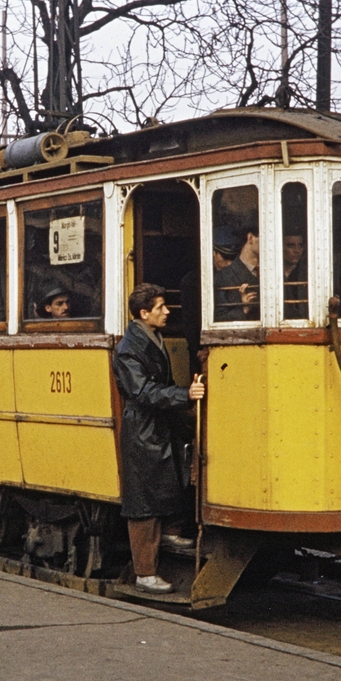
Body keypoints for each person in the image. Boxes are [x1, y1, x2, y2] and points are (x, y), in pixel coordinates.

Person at [114, 283, 206, 594]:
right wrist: (184, 394)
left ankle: (168, 533)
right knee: (143, 501)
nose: (167, 312)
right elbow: (141, 391)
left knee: (164, 481)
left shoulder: (149, 337)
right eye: (160, 308)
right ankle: (145, 573)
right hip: (142, 428)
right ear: (144, 313)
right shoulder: (129, 348)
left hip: (153, 425)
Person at [212, 226, 259, 321]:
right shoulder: (221, 278)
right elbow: (217, 318)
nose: (229, 263)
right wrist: (244, 309)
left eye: (232, 257)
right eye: (225, 257)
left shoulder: (274, 272)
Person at [282, 229, 309, 320]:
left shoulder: (308, 276)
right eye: (291, 245)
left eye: (300, 246)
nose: (297, 251)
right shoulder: (271, 275)